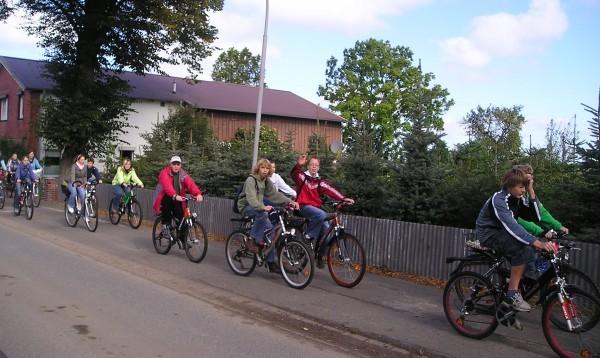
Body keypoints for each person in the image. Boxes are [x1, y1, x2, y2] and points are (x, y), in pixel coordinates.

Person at [475, 167, 557, 312]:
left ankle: (512, 282)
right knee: (525, 248)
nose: (523, 190)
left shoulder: (517, 199)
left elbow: (536, 217)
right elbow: (511, 226)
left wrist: (531, 191)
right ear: (510, 186)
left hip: (503, 232)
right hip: (489, 233)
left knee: (531, 251)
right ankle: (512, 293)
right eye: (521, 187)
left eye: (525, 187)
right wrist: (537, 242)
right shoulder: (499, 199)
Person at [291, 154, 353, 268]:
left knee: (326, 231)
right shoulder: (302, 177)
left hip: (316, 210)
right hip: (303, 207)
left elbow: (331, 190)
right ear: (308, 166)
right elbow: (294, 173)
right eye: (311, 164)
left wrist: (343, 199)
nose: (314, 167)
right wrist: (299, 165)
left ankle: (319, 256)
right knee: (321, 214)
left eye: (316, 165)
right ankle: (307, 236)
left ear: (318, 167)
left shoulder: (320, 181)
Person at [237, 158, 299, 272]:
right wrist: (263, 207)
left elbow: (275, 195)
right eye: (263, 168)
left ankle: (270, 262)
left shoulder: (265, 181)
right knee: (263, 214)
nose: (265, 170)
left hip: (258, 207)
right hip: (246, 206)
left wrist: (290, 202)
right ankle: (252, 241)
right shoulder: (251, 180)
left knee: (271, 230)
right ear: (258, 168)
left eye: (267, 168)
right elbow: (251, 199)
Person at [153, 156, 203, 244]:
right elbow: (167, 187)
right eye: (174, 164)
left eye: (178, 164)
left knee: (182, 218)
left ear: (180, 165)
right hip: (163, 197)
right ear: (170, 165)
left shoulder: (182, 174)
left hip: (177, 198)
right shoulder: (164, 173)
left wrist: (198, 194)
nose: (176, 166)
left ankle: (183, 241)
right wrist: (175, 195)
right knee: (168, 200)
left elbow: (190, 184)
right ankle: (165, 226)